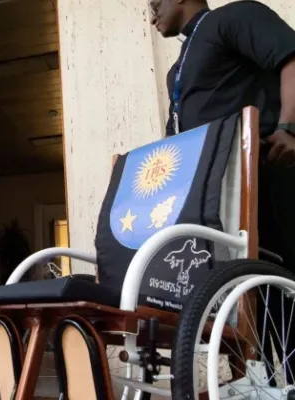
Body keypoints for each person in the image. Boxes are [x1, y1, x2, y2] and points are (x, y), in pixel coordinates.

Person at [150, 0, 295, 383]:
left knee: (284, 288)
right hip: (219, 200)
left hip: (264, 177)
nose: (151, 15)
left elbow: (291, 58)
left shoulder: (232, 17)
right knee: (247, 304)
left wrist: (287, 127)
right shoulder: (176, 71)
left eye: (154, 2)